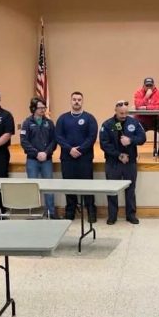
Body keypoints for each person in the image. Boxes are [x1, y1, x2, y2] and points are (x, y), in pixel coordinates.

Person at [99, 100, 146, 225]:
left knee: (130, 189)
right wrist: (118, 155)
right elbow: (104, 144)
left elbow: (142, 138)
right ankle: (112, 216)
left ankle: (131, 215)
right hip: (113, 162)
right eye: (121, 113)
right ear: (115, 111)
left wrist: (130, 140)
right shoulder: (108, 124)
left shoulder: (134, 122)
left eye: (126, 113)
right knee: (112, 190)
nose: (124, 115)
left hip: (130, 162)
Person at [55, 92, 98, 223]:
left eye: (79, 100)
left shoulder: (90, 118)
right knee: (69, 186)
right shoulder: (62, 118)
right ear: (71, 101)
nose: (77, 102)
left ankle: (91, 211)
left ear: (82, 101)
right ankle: (70, 212)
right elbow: (58, 137)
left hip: (84, 158)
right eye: (74, 99)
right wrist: (70, 149)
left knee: (87, 186)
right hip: (67, 159)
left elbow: (92, 137)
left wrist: (79, 150)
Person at [19, 97, 59, 219]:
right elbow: (24, 142)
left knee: (48, 187)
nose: (43, 110)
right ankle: (34, 212)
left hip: (46, 160)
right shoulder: (27, 123)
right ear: (33, 108)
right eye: (40, 108)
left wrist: (46, 153)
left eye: (44, 108)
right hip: (32, 160)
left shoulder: (50, 123)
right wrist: (36, 153)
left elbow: (54, 141)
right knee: (33, 187)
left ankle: (51, 212)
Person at [133, 77, 159, 157]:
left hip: (155, 119)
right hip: (141, 119)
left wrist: (146, 107)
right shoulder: (138, 93)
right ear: (143, 86)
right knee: (132, 126)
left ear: (154, 86)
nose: (149, 87)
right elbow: (138, 106)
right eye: (147, 86)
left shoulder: (158, 93)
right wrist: (146, 96)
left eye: (151, 85)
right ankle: (132, 149)